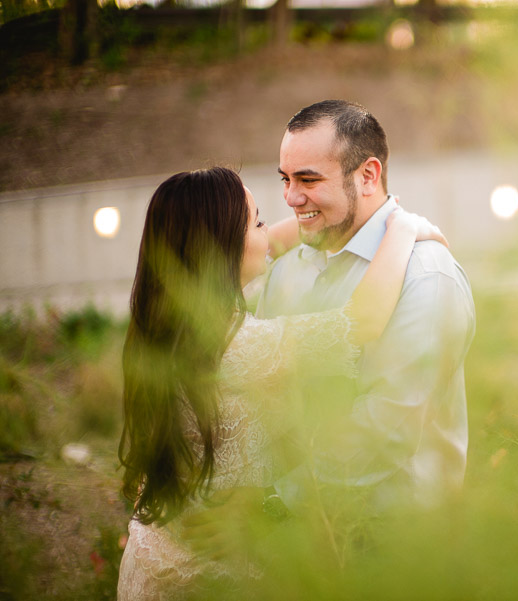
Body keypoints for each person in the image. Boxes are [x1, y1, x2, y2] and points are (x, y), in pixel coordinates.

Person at [116, 166, 446, 600]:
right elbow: (362, 320)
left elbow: (272, 242)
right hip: (211, 579)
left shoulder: (173, 329)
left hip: (153, 561)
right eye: (256, 219)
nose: (270, 229)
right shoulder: (235, 346)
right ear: (222, 248)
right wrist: (401, 226)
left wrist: (355, 214)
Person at [180, 100, 476, 552]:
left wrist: (272, 503)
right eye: (286, 179)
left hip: (393, 543)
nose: (291, 197)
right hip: (289, 538)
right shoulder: (287, 266)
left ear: (368, 176)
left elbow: (384, 431)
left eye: (308, 179)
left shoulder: (425, 276)